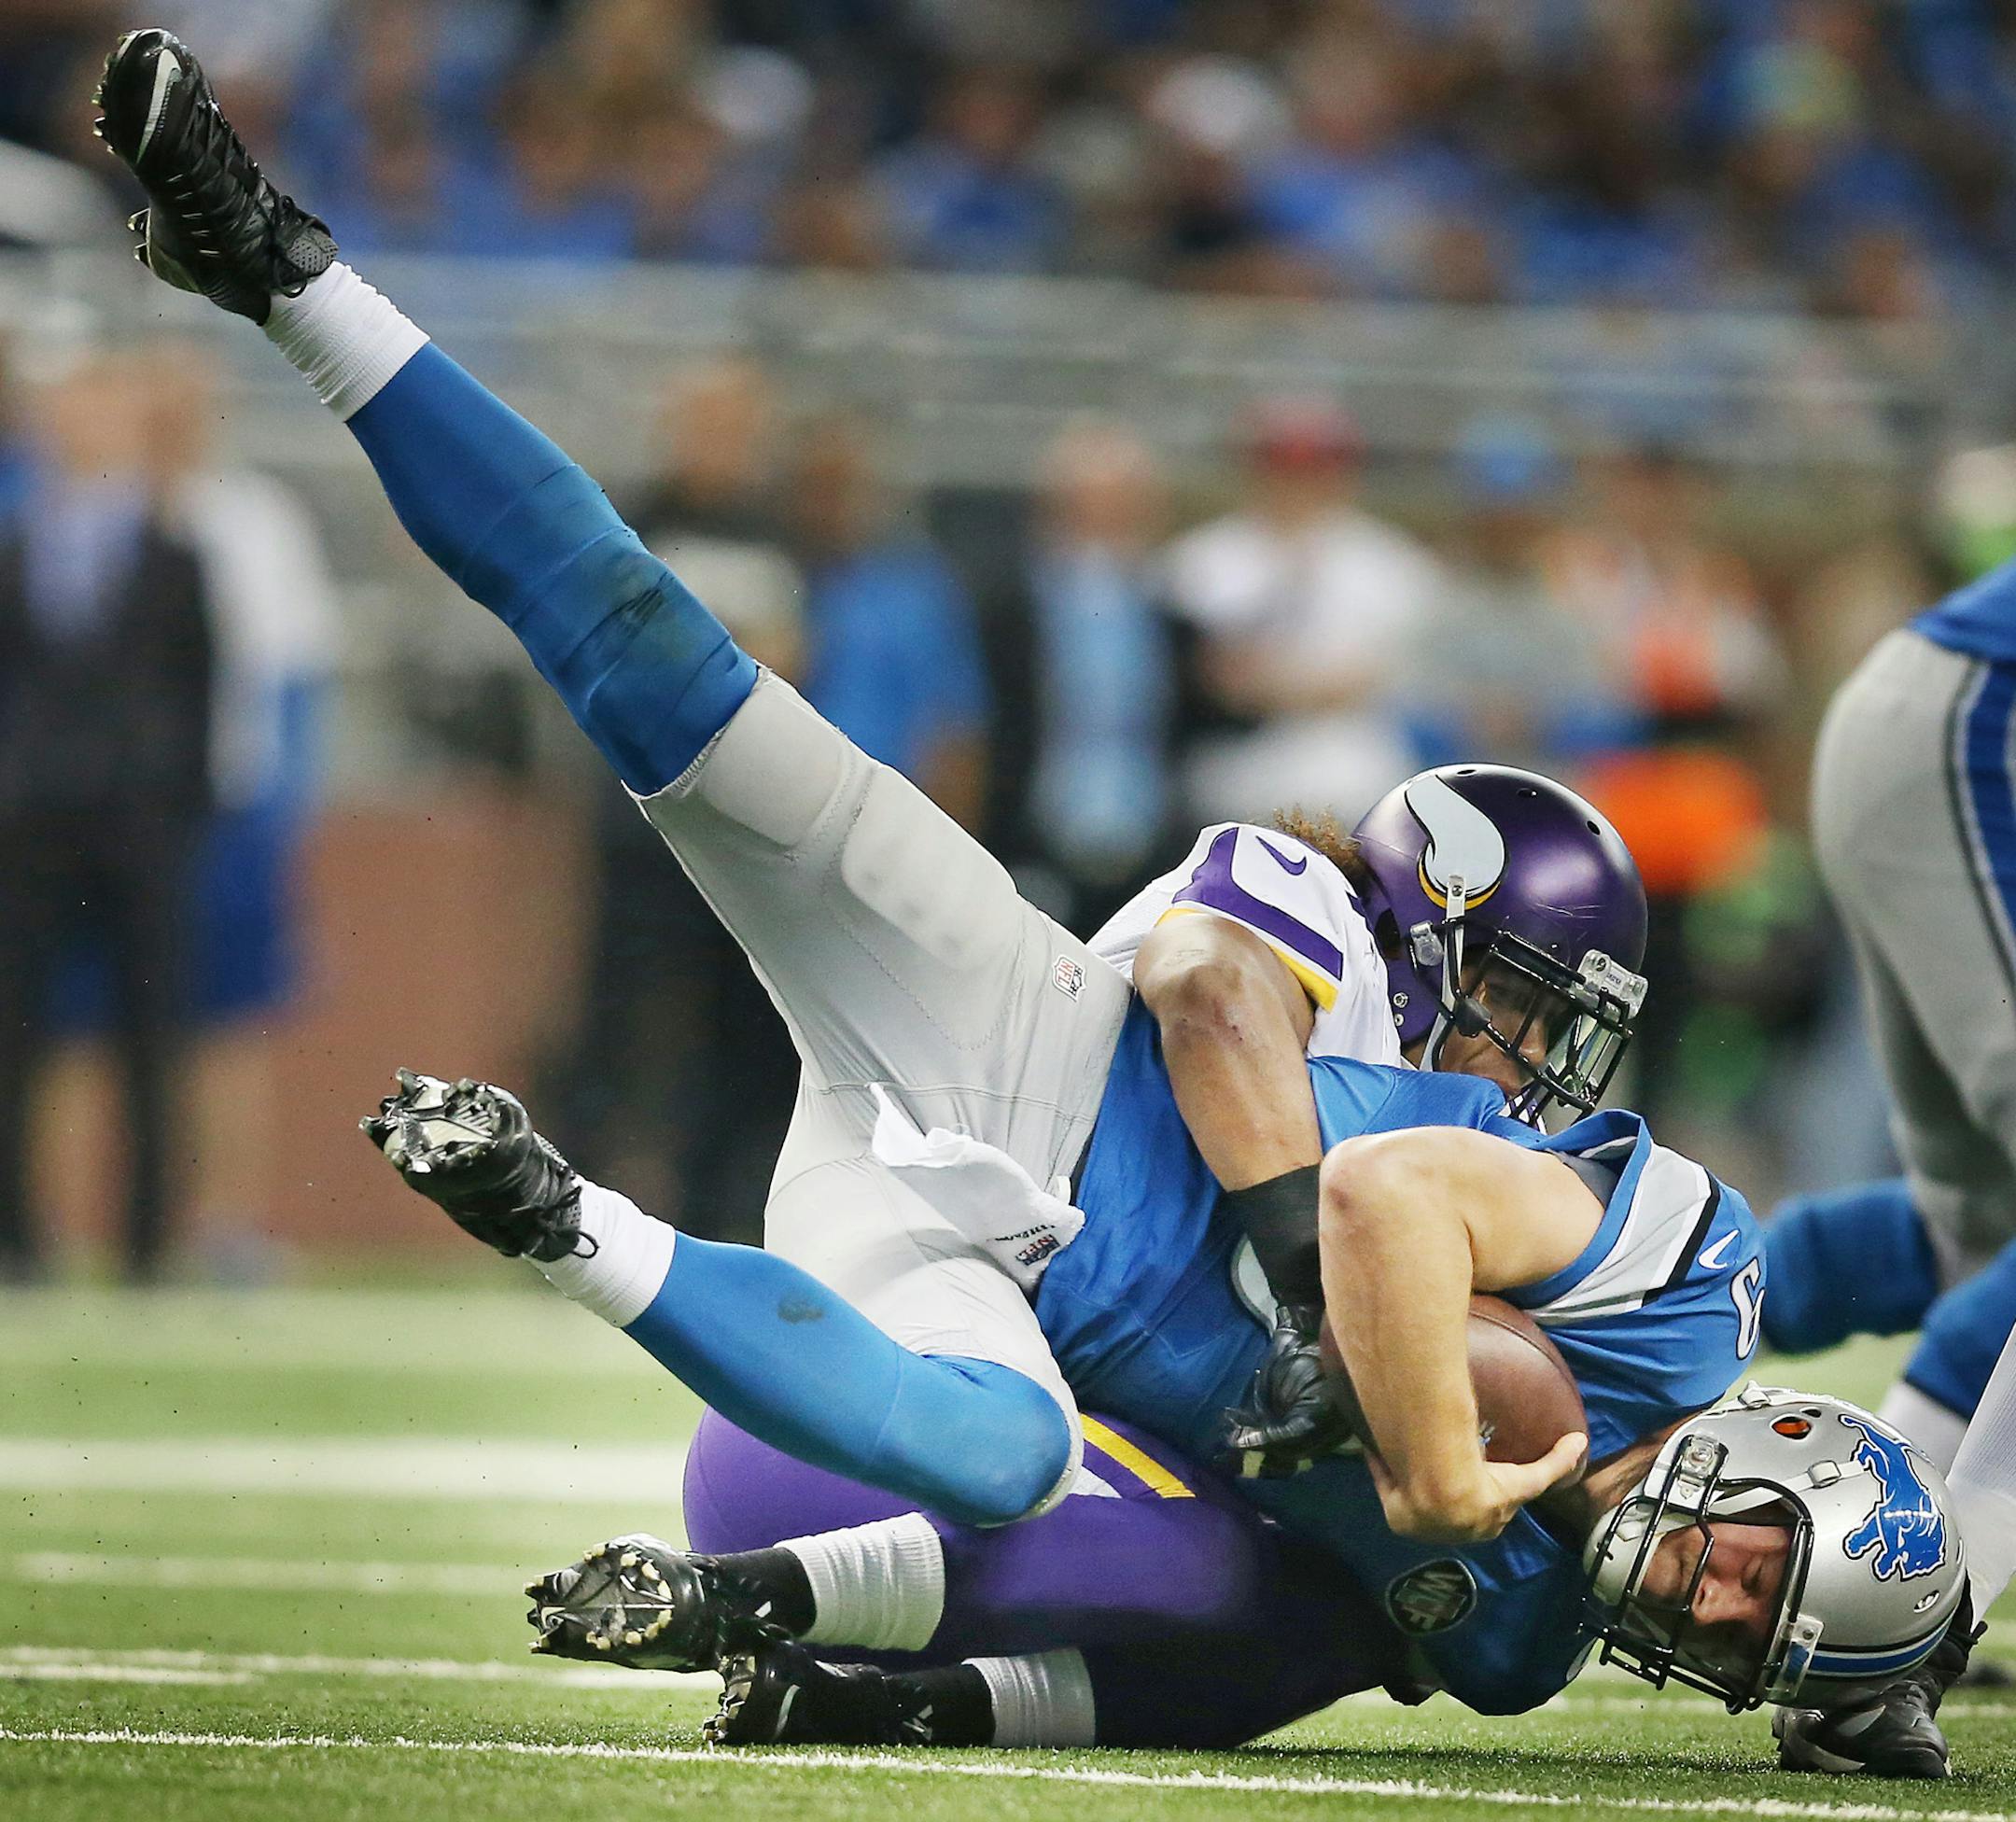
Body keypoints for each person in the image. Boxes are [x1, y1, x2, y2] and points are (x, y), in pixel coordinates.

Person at [93, 28, 1967, 1755]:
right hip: (1024, 1042)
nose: (1528, 1061)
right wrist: (1356, 1361)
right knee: (656, 655)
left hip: (981, 1265)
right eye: (1519, 999)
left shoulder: (1519, 1628)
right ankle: (284, 273)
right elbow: (1257, 1049)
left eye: (1744, 1634)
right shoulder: (1548, 1166)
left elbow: (1244, 1649)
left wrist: (938, 1706)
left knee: (997, 1452)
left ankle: (550, 1207)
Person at [1757, 529, 2016, 1776]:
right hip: (1981, 734)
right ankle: (1885, 1629)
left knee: (1983, 1220)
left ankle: (1583, 1313)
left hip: (1946, 730)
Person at [0, 349, 216, 1282]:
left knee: (152, 1037)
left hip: (142, 823)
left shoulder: (175, 552)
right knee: (15, 1034)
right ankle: (19, 1239)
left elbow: (203, 692)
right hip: (30, 820)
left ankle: (147, 1245)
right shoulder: (17, 548)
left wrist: (183, 815)